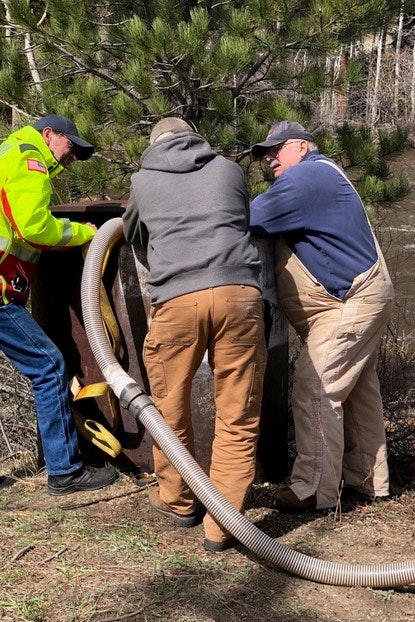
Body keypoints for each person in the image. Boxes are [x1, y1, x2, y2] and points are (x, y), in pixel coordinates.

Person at [0, 114, 118, 500]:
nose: (71, 158)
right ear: (48, 134)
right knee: (49, 367)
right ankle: (65, 471)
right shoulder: (29, 158)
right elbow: (33, 227)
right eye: (71, 146)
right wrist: (88, 233)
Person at [122, 117, 267, 551]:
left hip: (177, 301)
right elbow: (242, 220)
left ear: (154, 144)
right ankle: (223, 527)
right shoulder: (230, 169)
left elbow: (132, 234)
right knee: (238, 412)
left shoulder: (143, 180)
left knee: (168, 406)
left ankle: (178, 500)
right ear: (194, 137)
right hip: (240, 294)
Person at [249, 120, 394, 513]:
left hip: (350, 300)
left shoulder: (306, 178)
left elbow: (252, 217)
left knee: (316, 386)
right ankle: (368, 480)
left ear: (301, 146)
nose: (270, 159)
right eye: (265, 154)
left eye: (276, 150)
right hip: (361, 294)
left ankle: (313, 489)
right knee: (358, 388)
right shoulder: (324, 173)